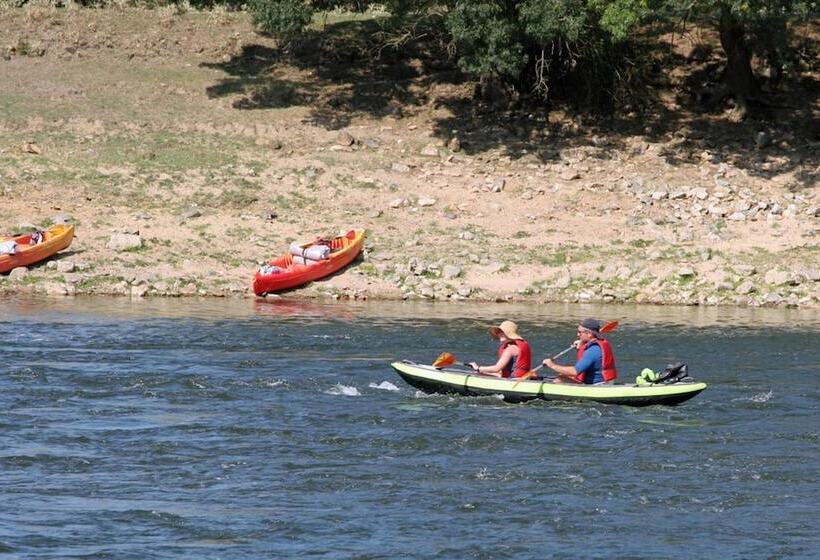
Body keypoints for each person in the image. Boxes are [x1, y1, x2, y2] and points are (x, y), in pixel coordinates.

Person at [542, 318, 618, 384]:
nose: (578, 334)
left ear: (589, 334)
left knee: (559, 380)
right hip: (606, 382)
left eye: (580, 332)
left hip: (598, 386)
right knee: (563, 375)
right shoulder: (595, 345)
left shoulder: (593, 350)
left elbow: (574, 371)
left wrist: (552, 365)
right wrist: (582, 346)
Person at [468, 320, 532, 378]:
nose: (499, 335)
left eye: (502, 333)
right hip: (520, 378)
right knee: (482, 373)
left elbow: (496, 368)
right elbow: (500, 373)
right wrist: (483, 372)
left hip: (513, 380)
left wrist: (478, 368)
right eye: (499, 333)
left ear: (509, 335)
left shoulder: (510, 349)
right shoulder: (516, 346)